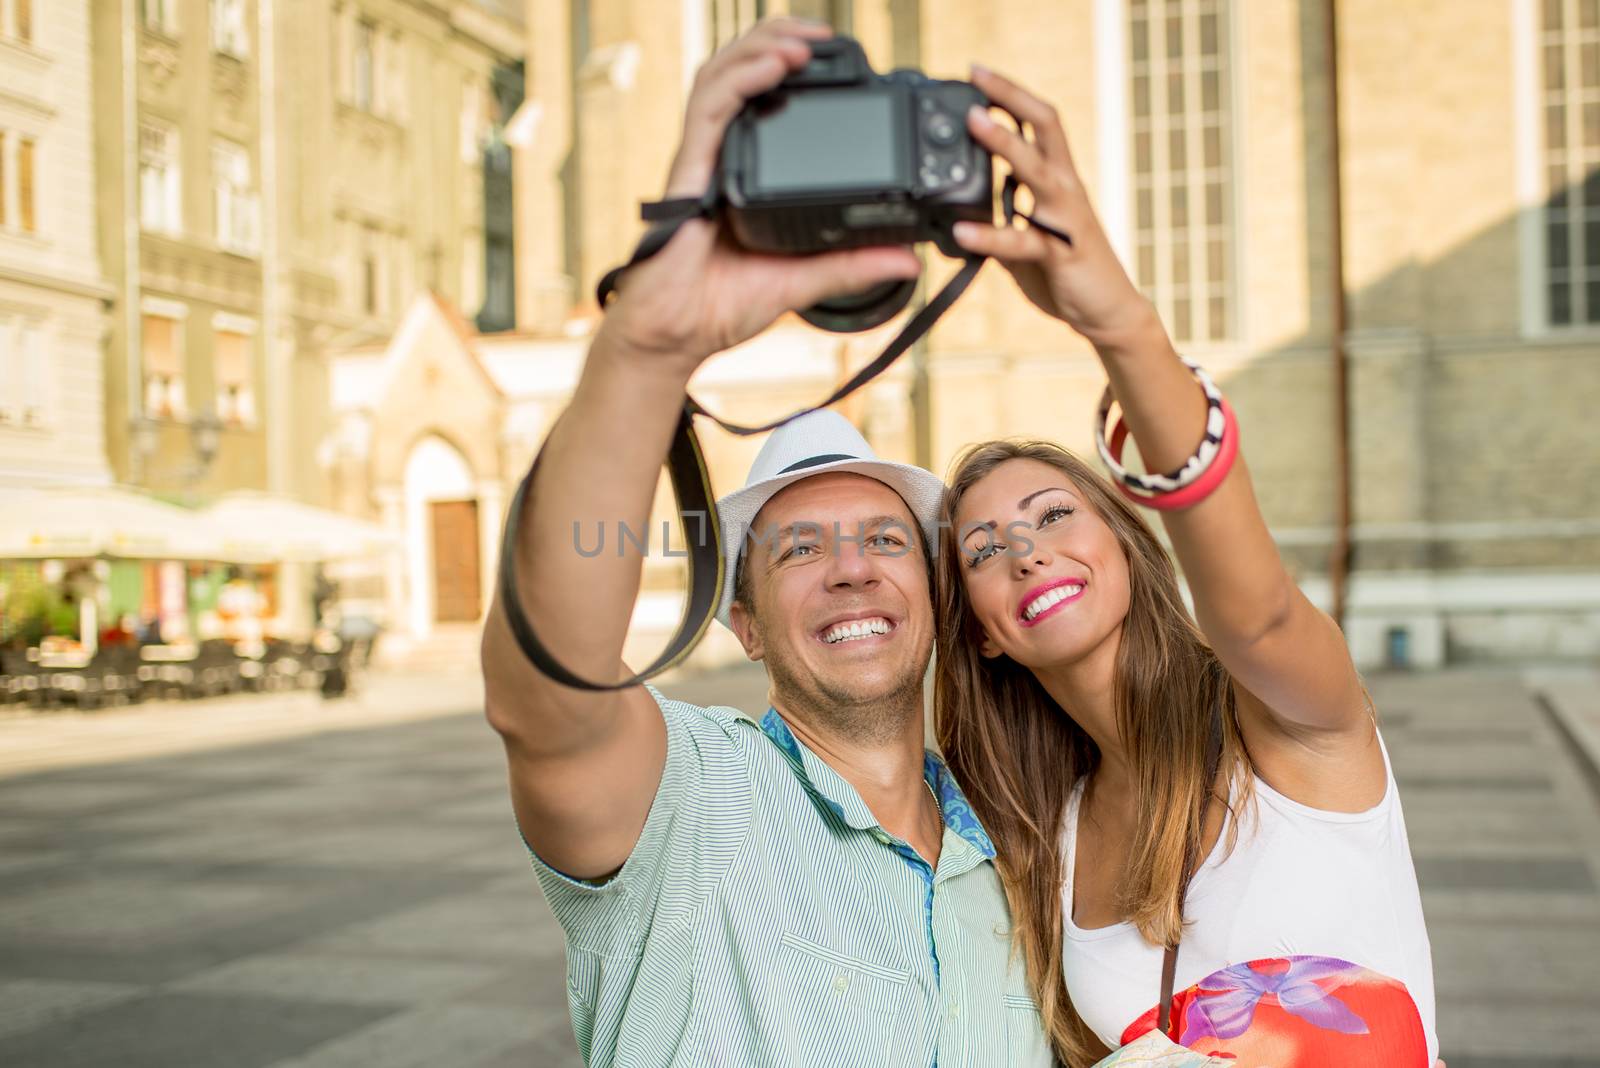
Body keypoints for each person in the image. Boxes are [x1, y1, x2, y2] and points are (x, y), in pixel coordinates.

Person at [480, 18, 1053, 1066]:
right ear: (741, 623)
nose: (848, 568)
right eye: (797, 551)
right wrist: (649, 343)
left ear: (931, 594)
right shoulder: (691, 802)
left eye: (884, 537)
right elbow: (545, 694)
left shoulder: (1021, 846)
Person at [932, 67, 1439, 1066]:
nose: (1025, 549)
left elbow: (1253, 621)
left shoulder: (1287, 728)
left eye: (1051, 515)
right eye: (985, 551)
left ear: (1126, 545)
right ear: (984, 631)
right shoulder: (1051, 833)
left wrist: (1116, 323)